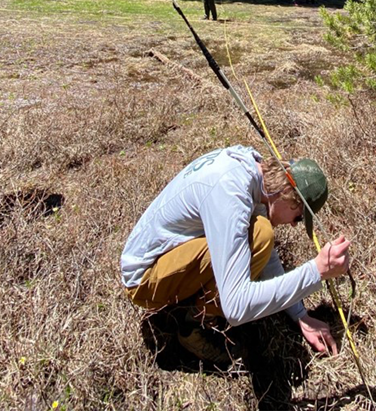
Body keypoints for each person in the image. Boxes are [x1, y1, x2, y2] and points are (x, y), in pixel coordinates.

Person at [120, 146, 351, 364]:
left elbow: (266, 253)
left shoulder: (255, 173)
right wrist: (316, 272)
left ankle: (194, 302)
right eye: (298, 217)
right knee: (259, 235)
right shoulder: (232, 193)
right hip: (145, 280)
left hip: (163, 256)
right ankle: (193, 327)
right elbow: (236, 307)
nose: (293, 225)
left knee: (261, 233)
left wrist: (300, 315)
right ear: (288, 195)